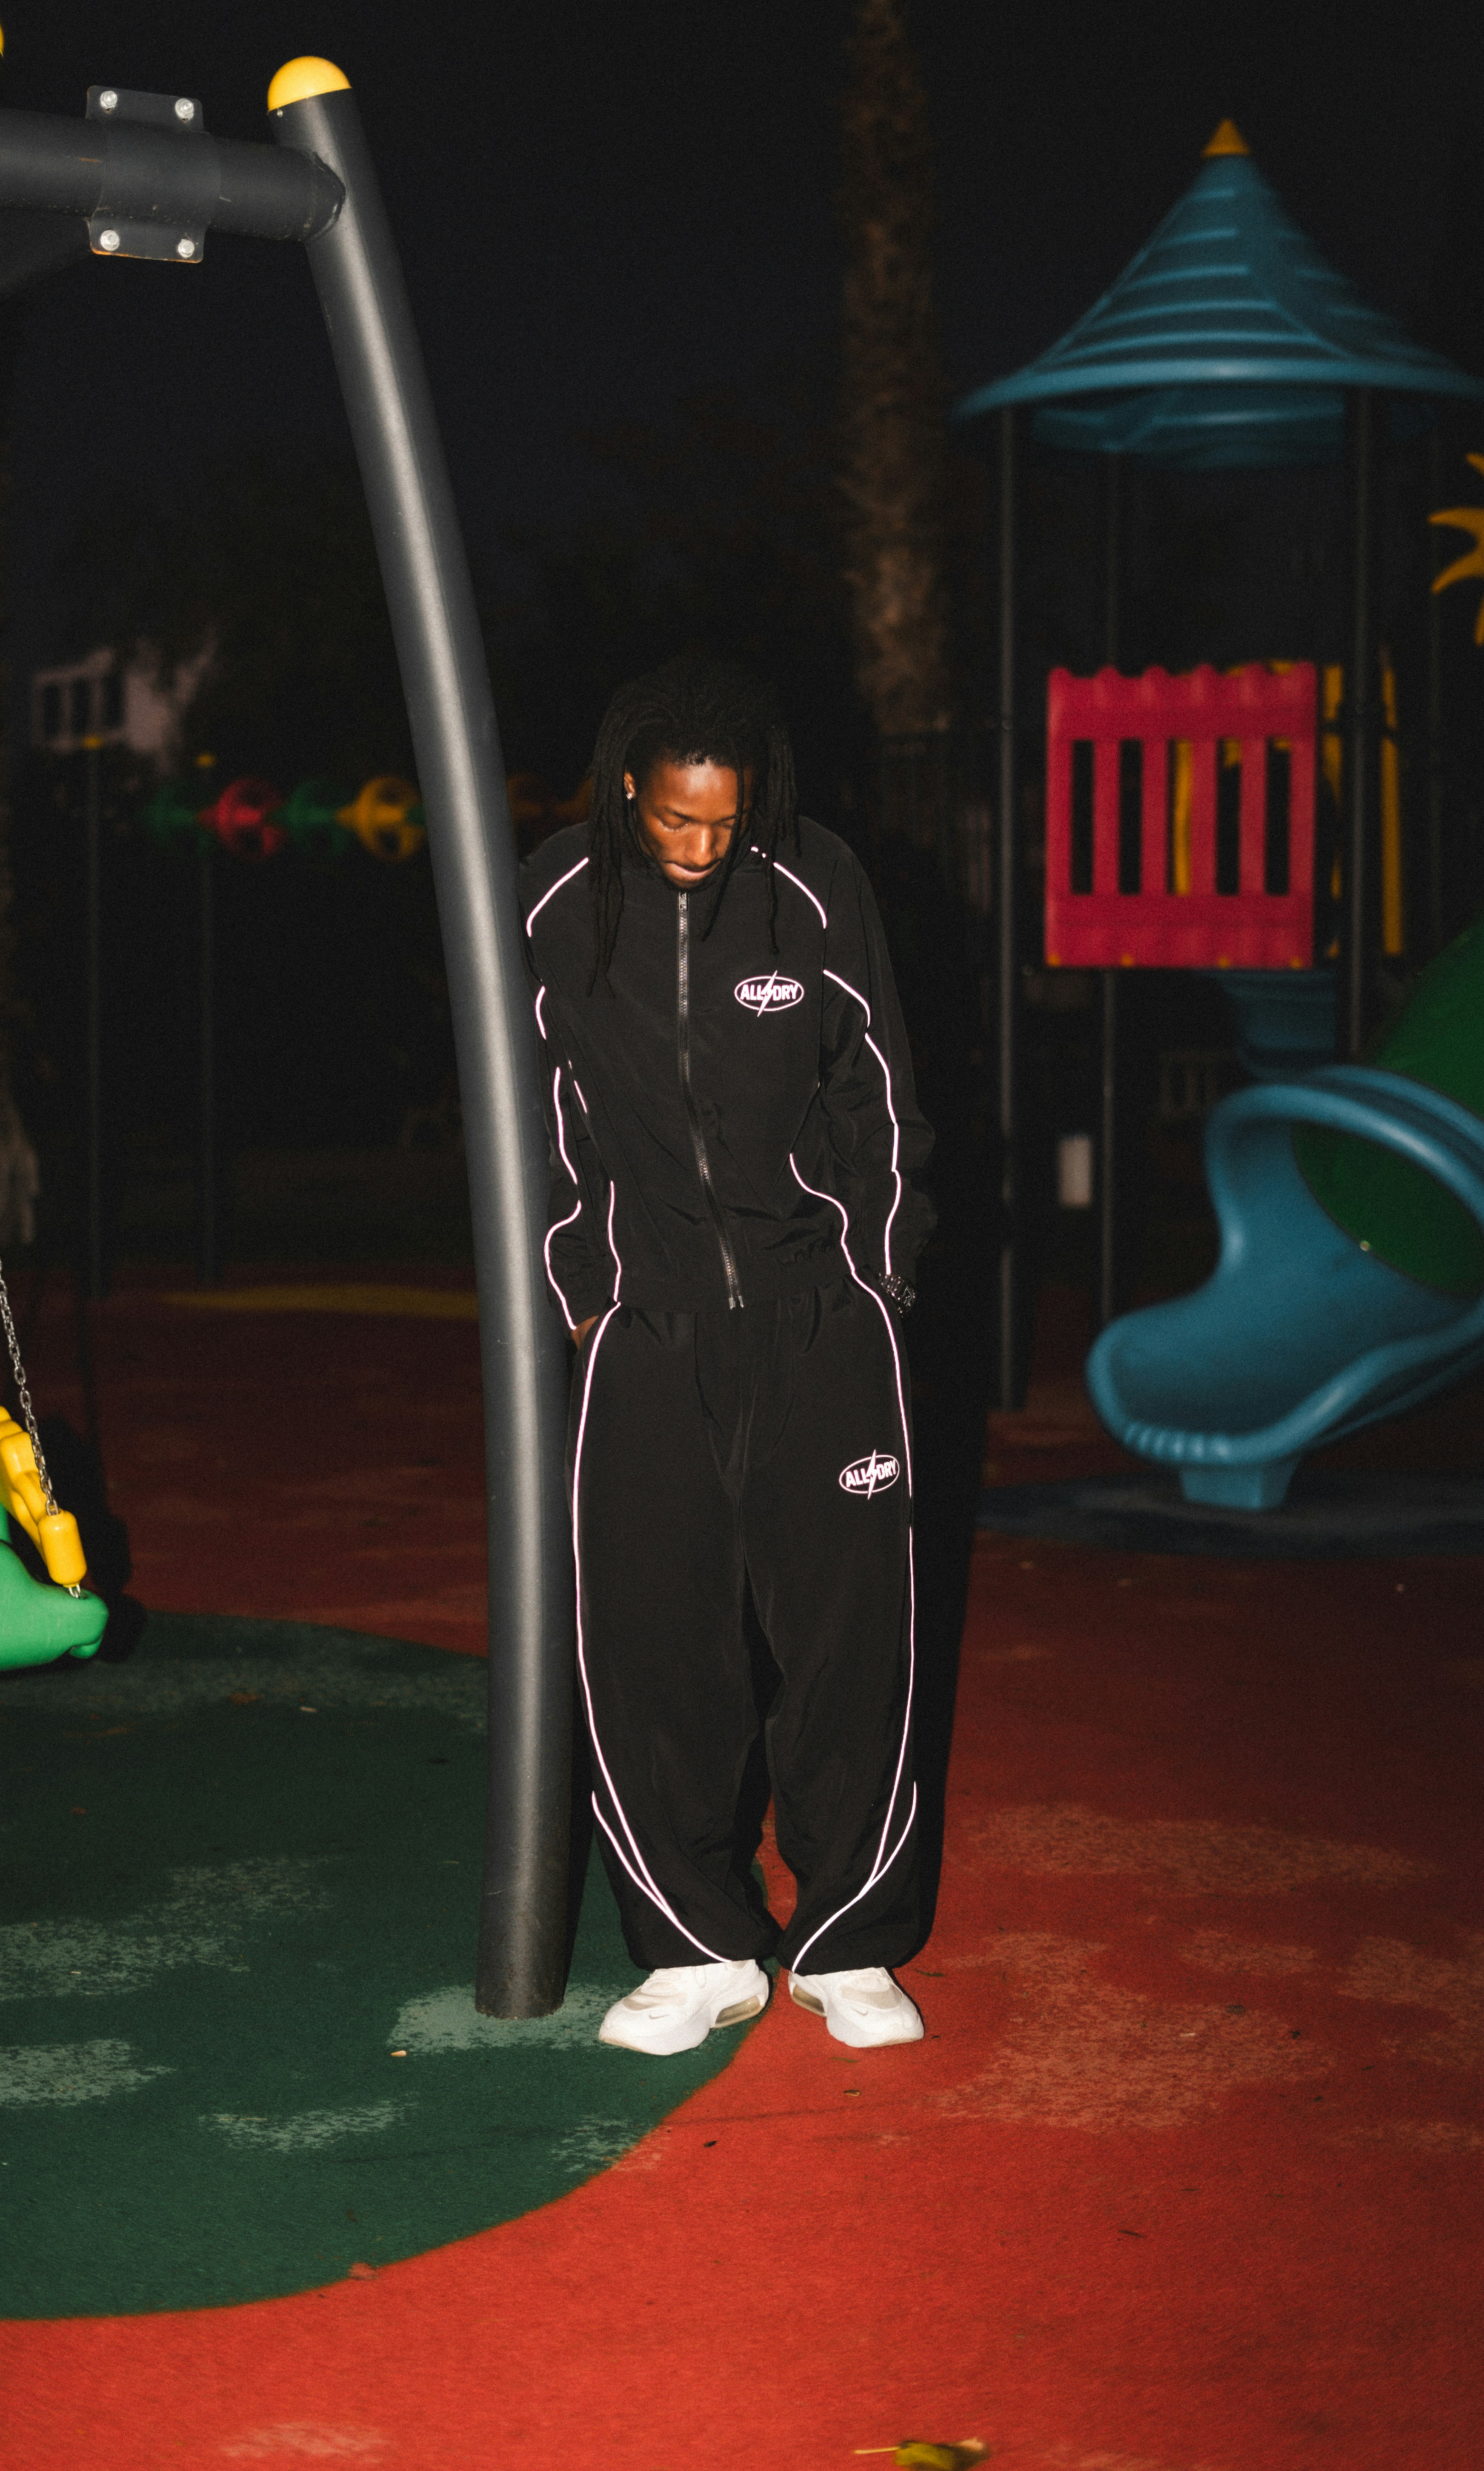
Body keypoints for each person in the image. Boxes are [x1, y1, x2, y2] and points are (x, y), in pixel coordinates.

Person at [519, 653, 937, 2056]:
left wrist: (879, 1270)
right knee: (650, 1644)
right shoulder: (556, 898)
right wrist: (583, 1283)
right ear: (625, 787)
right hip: (646, 1325)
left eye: (726, 821)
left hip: (822, 1317)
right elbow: (533, 1104)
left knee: (847, 1640)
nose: (702, 847)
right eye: (674, 819)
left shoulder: (813, 882)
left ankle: (850, 1941)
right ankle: (696, 1948)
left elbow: (879, 1082)